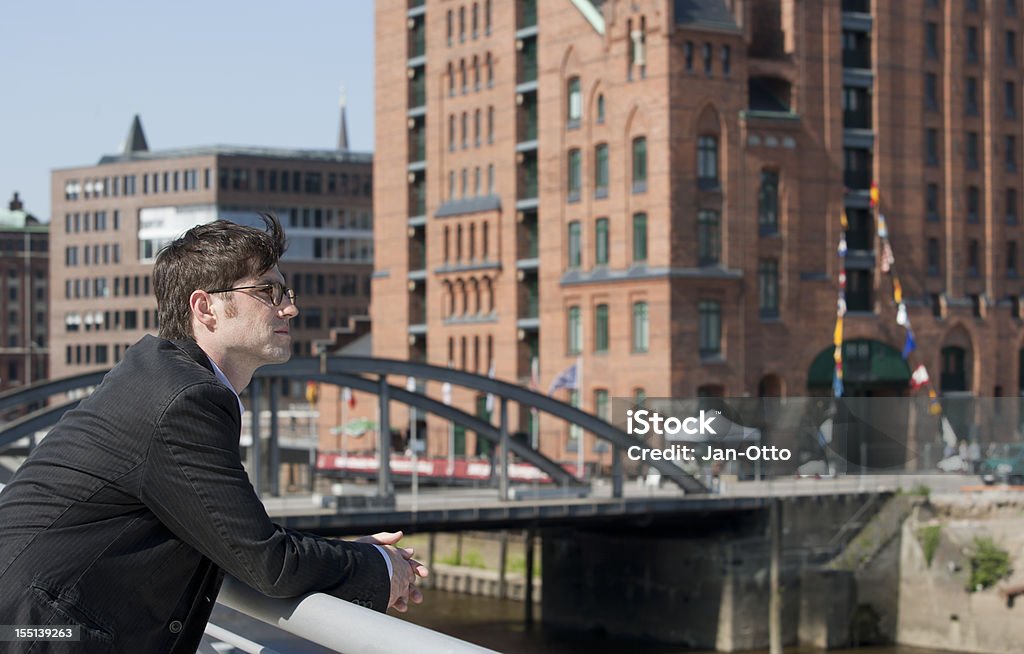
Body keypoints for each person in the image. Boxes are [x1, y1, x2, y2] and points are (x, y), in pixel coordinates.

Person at [0, 214, 426, 653]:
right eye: (267, 292)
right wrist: (375, 564)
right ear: (205, 308)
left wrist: (349, 554)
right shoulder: (184, 398)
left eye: (286, 292)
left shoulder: (162, 378)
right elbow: (266, 560)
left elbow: (232, 533)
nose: (290, 308)